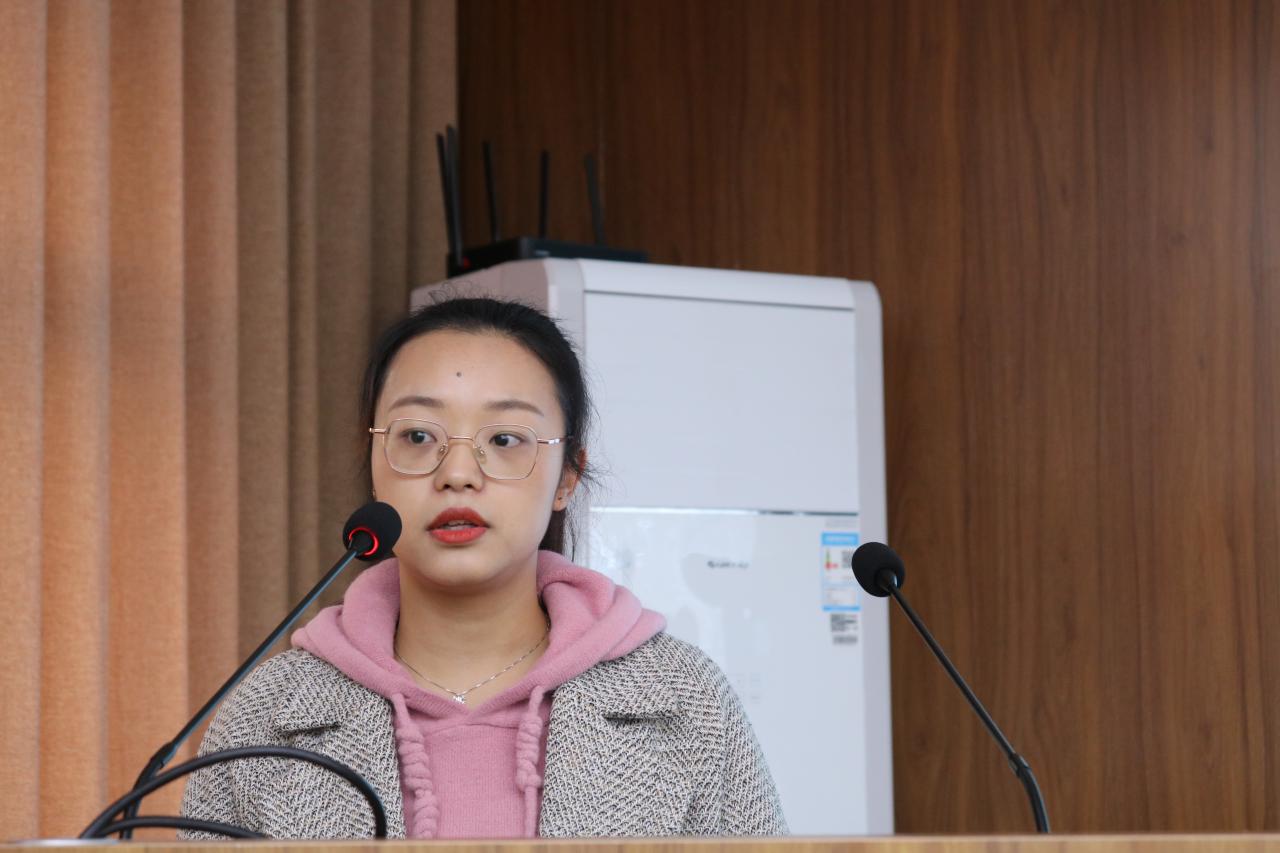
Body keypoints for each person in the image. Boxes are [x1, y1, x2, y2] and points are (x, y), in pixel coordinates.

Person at [180, 296, 786, 839]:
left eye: (504, 440)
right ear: (374, 462)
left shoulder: (684, 699)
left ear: (567, 478)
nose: (457, 473)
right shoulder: (268, 710)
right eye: (418, 436)